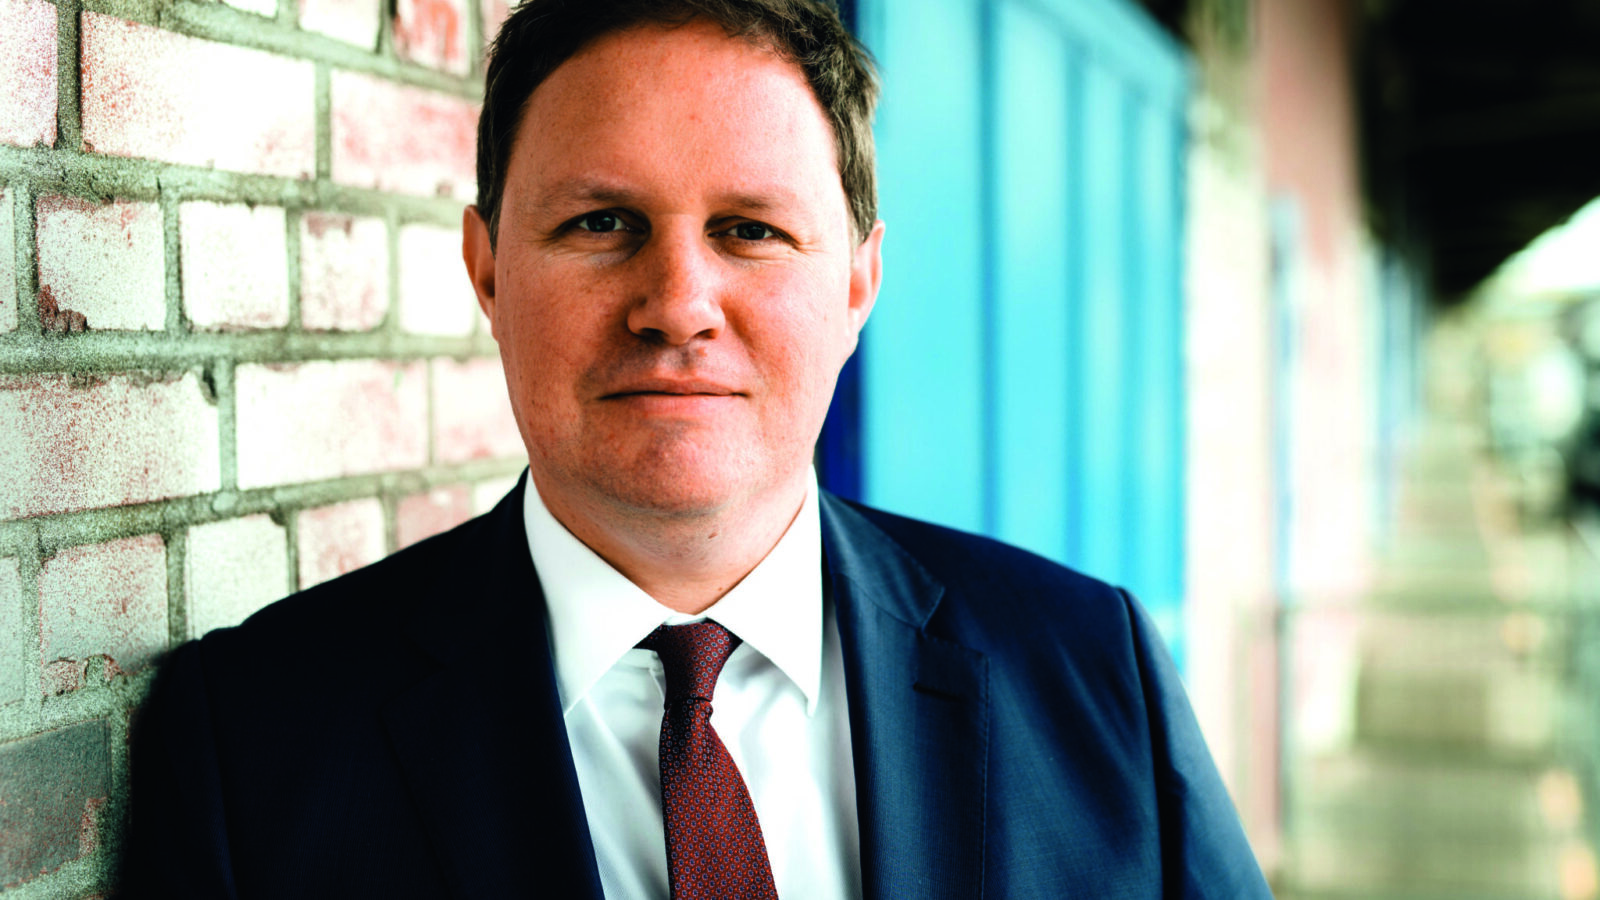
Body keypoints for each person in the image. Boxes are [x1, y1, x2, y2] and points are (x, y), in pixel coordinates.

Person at [124, 0, 1273, 897]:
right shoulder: (254, 742)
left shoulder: (1093, 673)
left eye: (749, 229)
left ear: (858, 283)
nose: (676, 304)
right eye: (601, 223)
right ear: (486, 270)